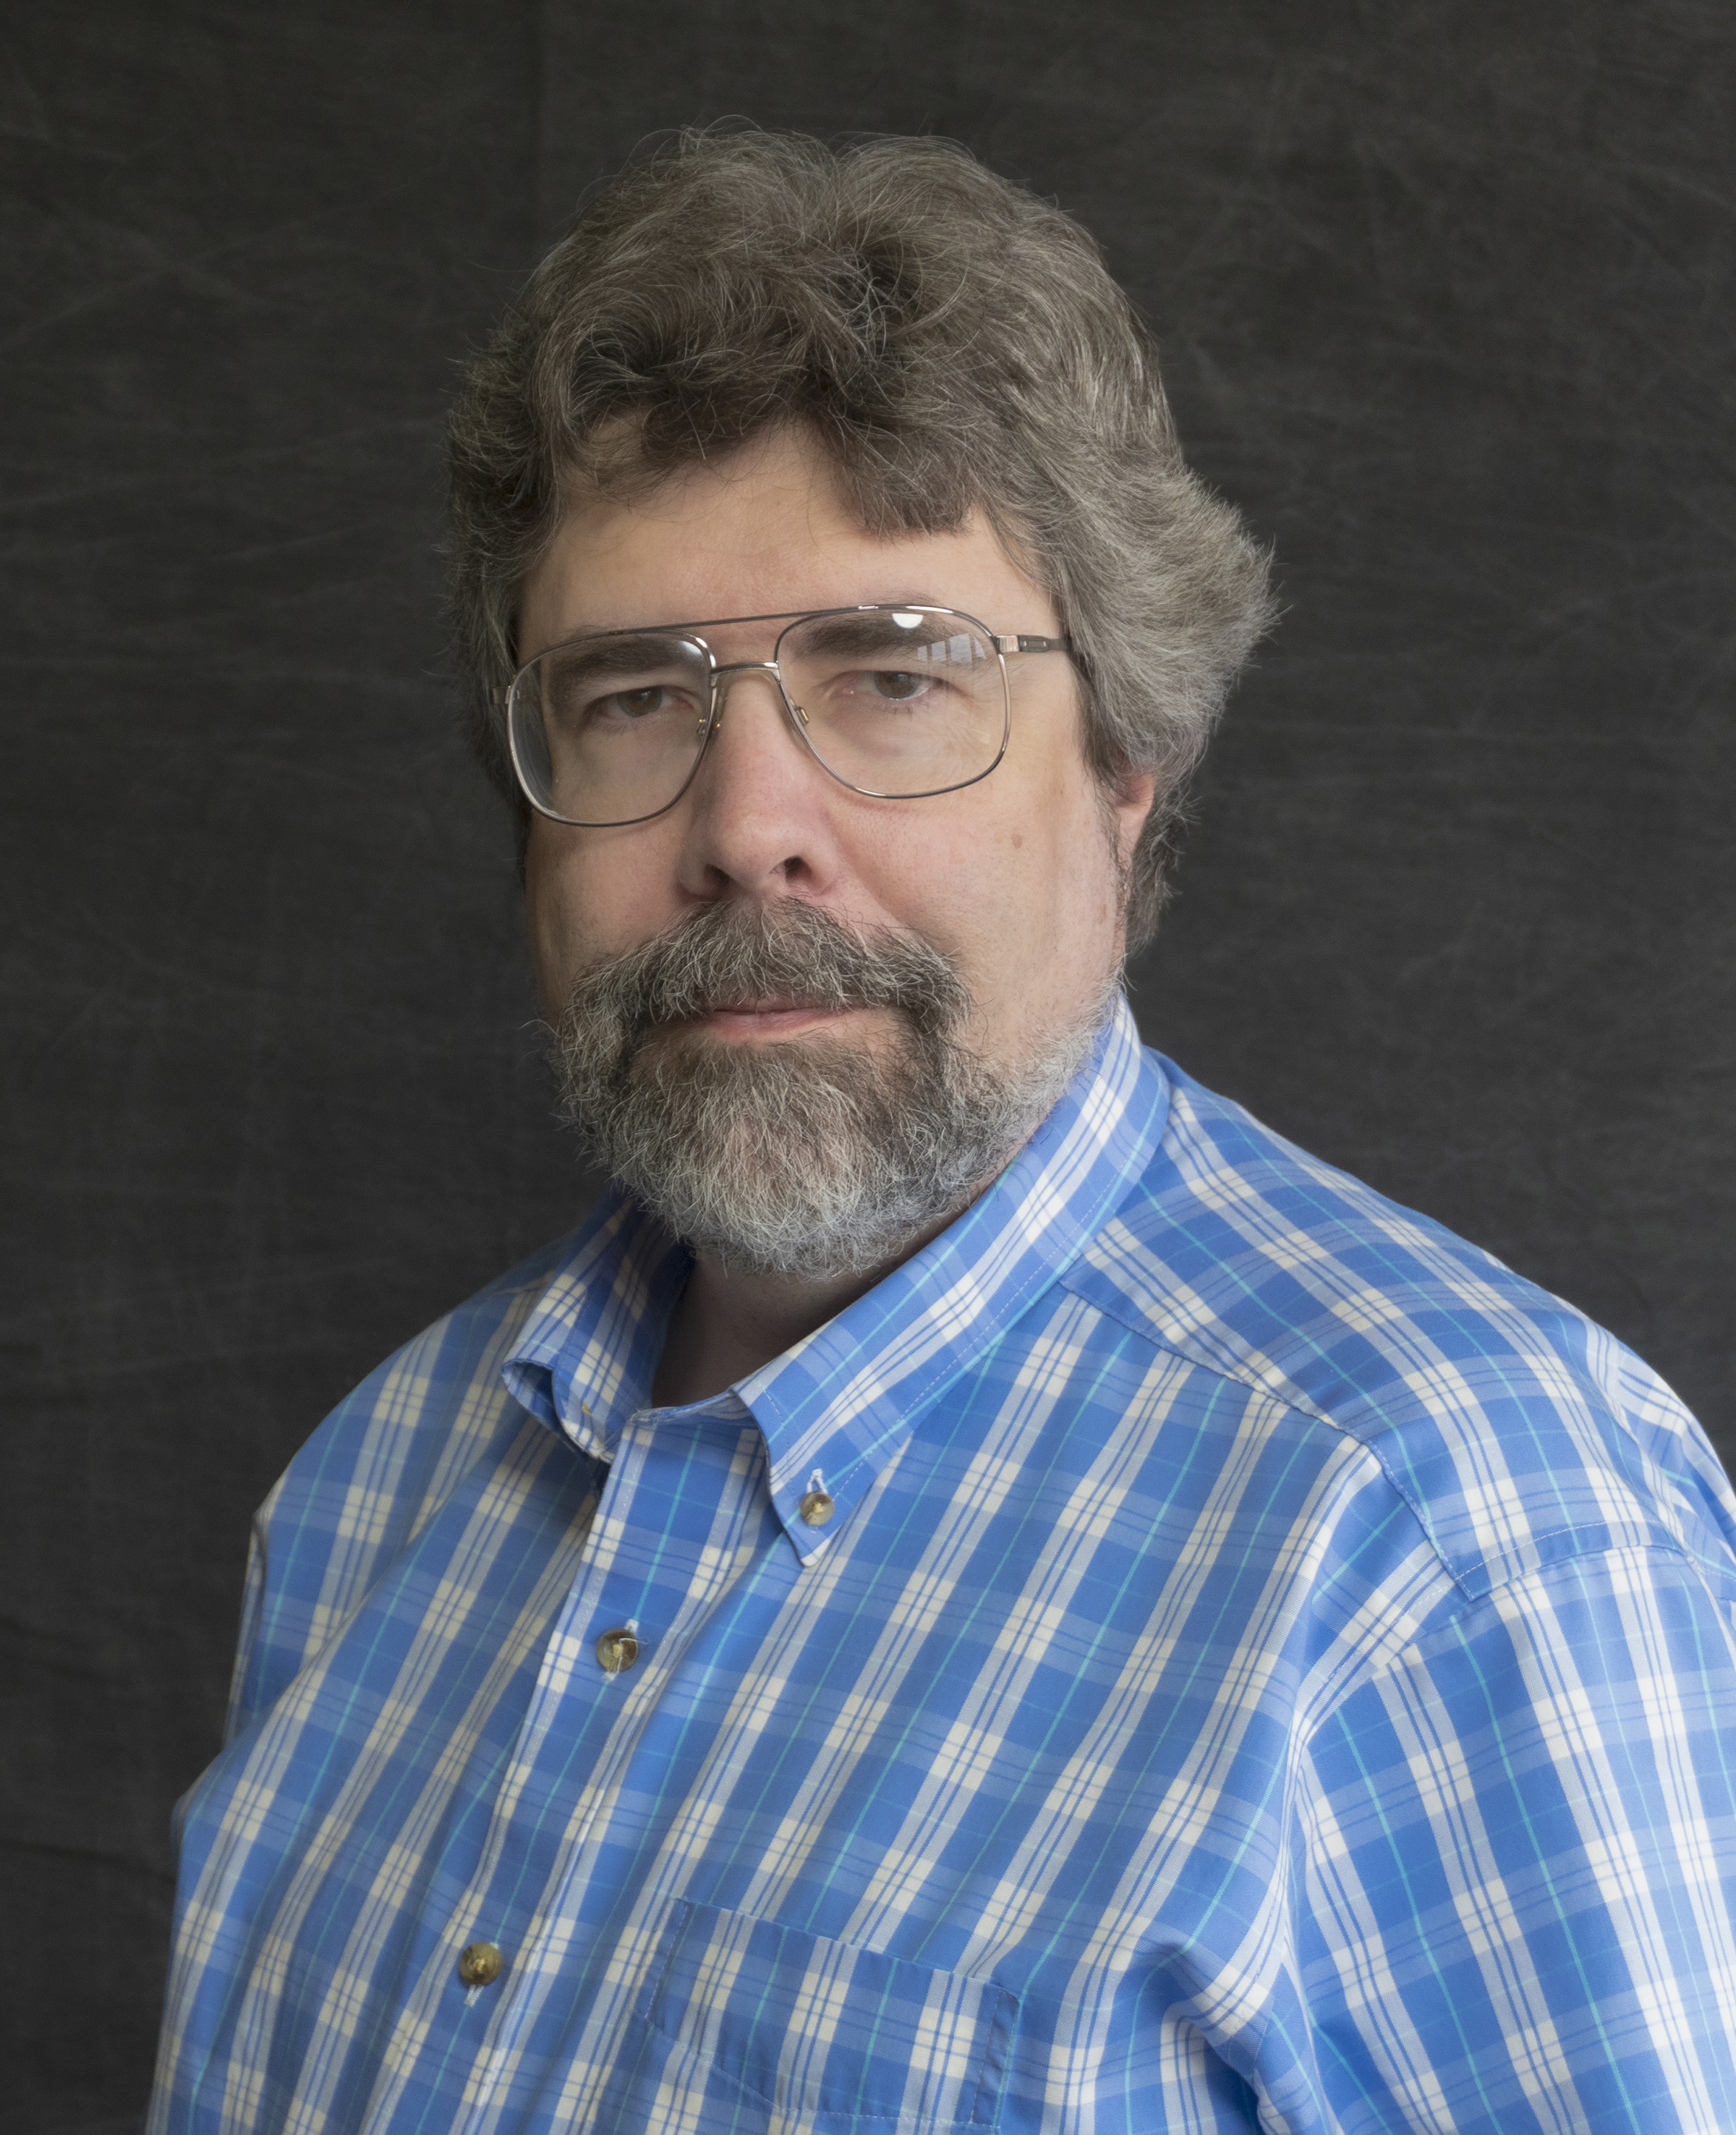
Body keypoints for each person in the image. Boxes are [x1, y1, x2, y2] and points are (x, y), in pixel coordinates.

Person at [147, 131, 1736, 2135]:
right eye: (633, 697)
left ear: (1127, 766)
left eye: (895, 677)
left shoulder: (1453, 1533)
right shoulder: (375, 1490)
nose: (747, 828)